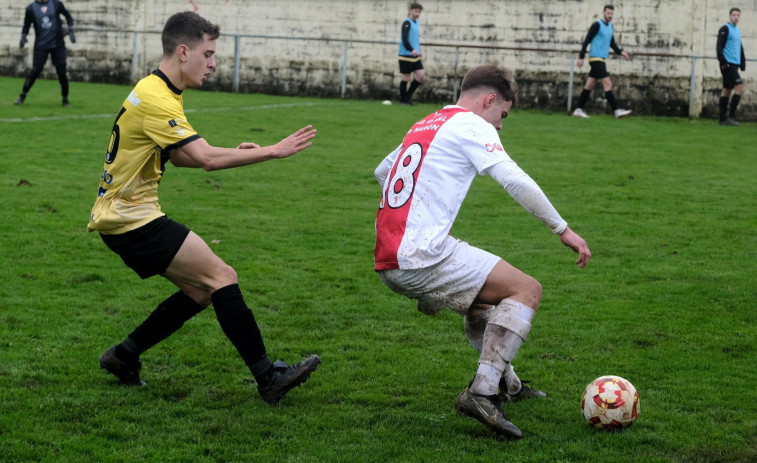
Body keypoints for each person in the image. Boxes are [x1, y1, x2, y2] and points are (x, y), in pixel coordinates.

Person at [89, 11, 320, 404]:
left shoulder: (158, 89)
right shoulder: (157, 98)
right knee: (221, 277)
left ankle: (123, 356)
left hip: (124, 216)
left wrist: (241, 150)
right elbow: (204, 158)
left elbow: (181, 157)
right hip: (130, 219)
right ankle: (269, 377)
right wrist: (271, 151)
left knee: (200, 292)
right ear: (183, 51)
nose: (213, 64)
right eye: (208, 54)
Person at [373, 65, 591, 439]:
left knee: (482, 305)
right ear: (489, 100)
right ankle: (481, 392)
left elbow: (383, 170)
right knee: (527, 290)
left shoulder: (427, 122)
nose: (501, 125)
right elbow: (514, 178)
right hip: (421, 255)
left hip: (390, 256)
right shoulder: (473, 125)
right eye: (502, 115)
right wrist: (563, 229)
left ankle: (509, 385)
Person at [572, 4, 632, 119]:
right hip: (595, 59)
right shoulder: (596, 25)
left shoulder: (610, 27)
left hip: (602, 60)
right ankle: (617, 111)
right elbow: (586, 41)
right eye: (608, 13)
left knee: (590, 84)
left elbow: (612, 43)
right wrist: (581, 57)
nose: (610, 16)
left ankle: (578, 110)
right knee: (608, 83)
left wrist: (620, 52)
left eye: (612, 14)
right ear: (604, 13)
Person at [15, 0, 76, 107]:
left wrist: (70, 29)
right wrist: (23, 36)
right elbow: (26, 25)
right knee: (35, 71)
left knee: (62, 72)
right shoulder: (31, 9)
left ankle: (65, 99)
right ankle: (22, 95)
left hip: (57, 45)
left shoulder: (56, 4)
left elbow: (68, 16)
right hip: (41, 46)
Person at [716, 8, 746, 126]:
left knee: (727, 90)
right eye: (734, 15)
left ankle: (722, 119)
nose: (736, 17)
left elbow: (740, 47)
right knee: (740, 88)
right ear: (730, 16)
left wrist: (742, 62)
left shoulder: (737, 30)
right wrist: (723, 61)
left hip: (734, 64)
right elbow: (719, 47)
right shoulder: (725, 29)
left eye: (738, 15)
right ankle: (731, 116)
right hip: (728, 64)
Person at [398, 2, 424, 105]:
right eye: (416, 11)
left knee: (421, 75)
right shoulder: (406, 23)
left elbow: (414, 39)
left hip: (415, 56)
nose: (417, 13)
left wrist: (418, 51)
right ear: (411, 11)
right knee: (406, 77)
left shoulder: (417, 23)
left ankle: (407, 96)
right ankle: (403, 100)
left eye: (419, 12)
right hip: (406, 55)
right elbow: (405, 39)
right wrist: (411, 50)